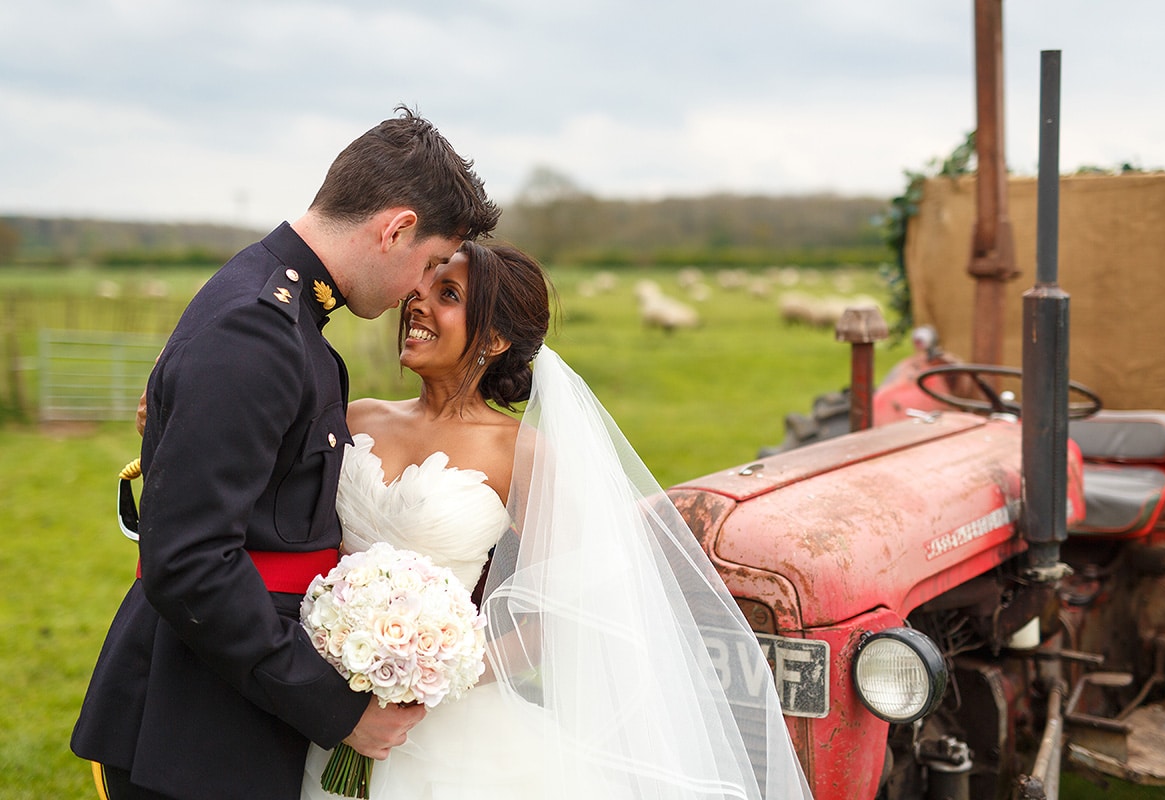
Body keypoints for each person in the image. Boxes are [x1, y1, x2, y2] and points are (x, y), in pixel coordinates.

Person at [71, 106, 500, 800]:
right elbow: (189, 562)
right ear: (394, 228)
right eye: (425, 263)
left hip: (228, 706)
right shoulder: (258, 331)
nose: (416, 290)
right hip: (194, 728)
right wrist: (339, 710)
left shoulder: (280, 310)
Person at [300, 241, 814, 799]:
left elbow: (562, 613)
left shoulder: (524, 453)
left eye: (447, 294)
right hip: (333, 714)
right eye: (423, 282)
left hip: (453, 735)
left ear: (494, 340)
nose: (416, 300)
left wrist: (430, 674)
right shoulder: (355, 417)